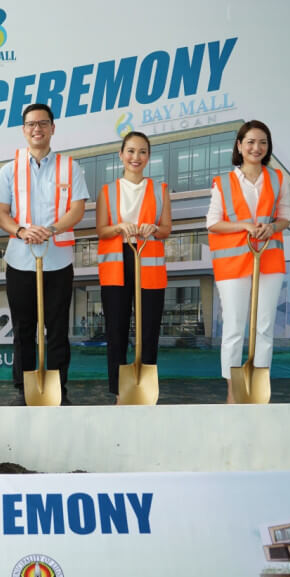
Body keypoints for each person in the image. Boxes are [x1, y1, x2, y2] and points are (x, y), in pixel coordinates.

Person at [0, 103, 87, 405]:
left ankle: (59, 386)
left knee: (58, 326)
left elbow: (77, 209)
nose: (37, 129)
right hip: (20, 260)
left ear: (52, 128)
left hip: (58, 259)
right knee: (23, 327)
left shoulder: (70, 167)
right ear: (24, 130)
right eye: (31, 124)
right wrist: (21, 231)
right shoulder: (9, 170)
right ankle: (24, 387)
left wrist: (52, 228)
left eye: (43, 123)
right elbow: (0, 213)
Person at [207, 120, 290, 403]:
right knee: (233, 326)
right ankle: (233, 392)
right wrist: (244, 225)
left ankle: (257, 390)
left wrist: (273, 227)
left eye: (263, 142)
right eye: (251, 142)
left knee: (265, 326)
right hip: (232, 264)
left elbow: (284, 217)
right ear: (240, 146)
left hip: (268, 259)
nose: (257, 147)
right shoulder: (223, 182)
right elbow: (213, 223)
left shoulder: (278, 179)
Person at [95, 131, 172, 402]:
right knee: (116, 331)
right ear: (121, 155)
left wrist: (154, 229)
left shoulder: (160, 190)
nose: (135, 157)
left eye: (142, 152)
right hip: (116, 266)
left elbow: (166, 229)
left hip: (149, 266)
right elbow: (102, 231)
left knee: (148, 330)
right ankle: (119, 393)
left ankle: (145, 392)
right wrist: (118, 227)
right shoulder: (107, 191)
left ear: (148, 156)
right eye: (130, 151)